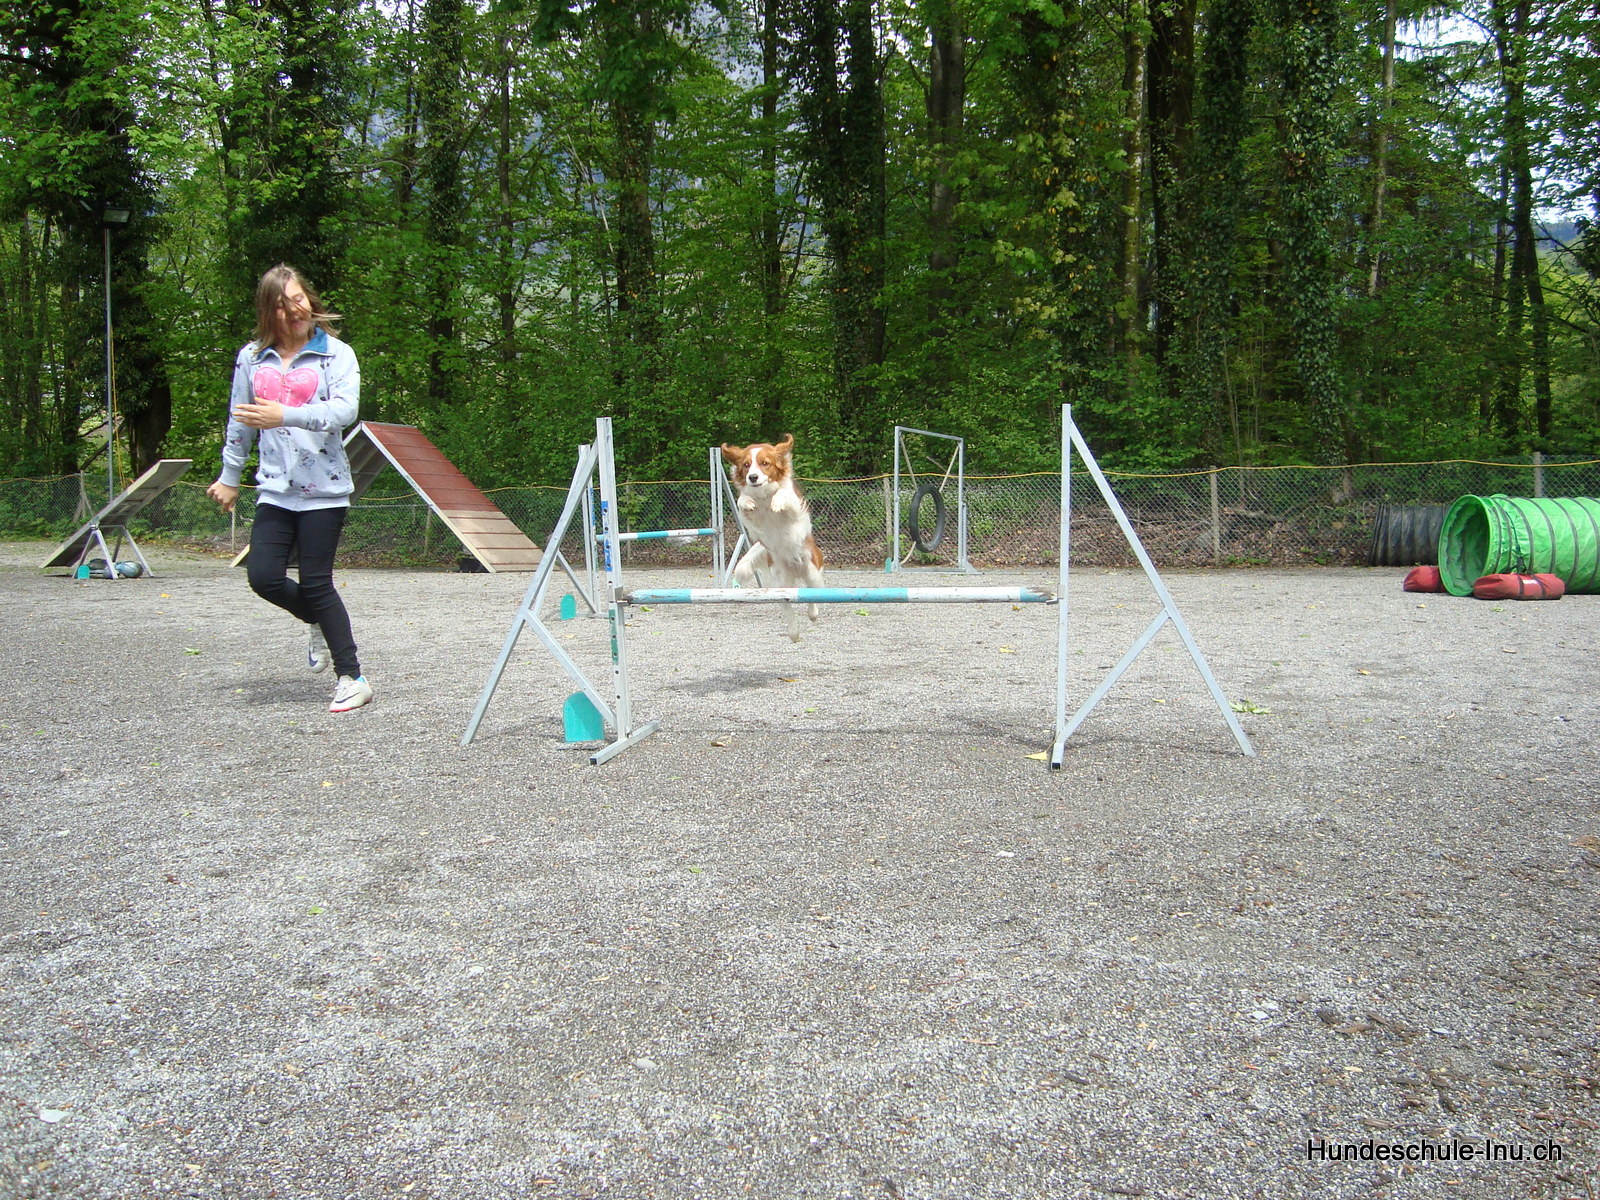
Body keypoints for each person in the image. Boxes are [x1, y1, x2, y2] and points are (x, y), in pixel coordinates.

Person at [206, 264, 373, 713]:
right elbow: (240, 420)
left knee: (317, 582)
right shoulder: (251, 358)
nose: (294, 310)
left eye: (298, 299)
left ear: (310, 299)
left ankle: (352, 678)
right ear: (268, 312)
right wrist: (229, 476)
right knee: (262, 577)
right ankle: (316, 619)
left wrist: (285, 415)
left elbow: (344, 412)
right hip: (275, 488)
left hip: (325, 489)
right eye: (281, 306)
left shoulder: (336, 354)